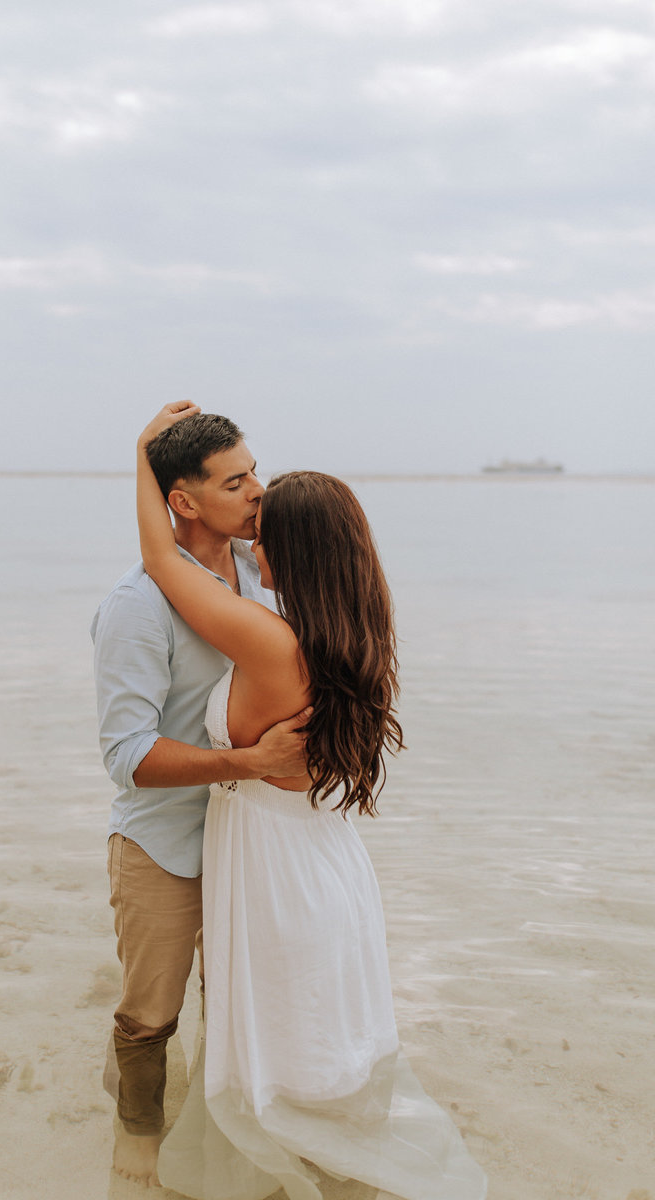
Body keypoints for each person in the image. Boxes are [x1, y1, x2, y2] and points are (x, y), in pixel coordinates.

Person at [135, 402, 488, 1200]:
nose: (252, 539)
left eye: (264, 533)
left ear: (293, 551)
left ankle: (295, 1160)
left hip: (275, 866)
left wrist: (144, 455)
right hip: (326, 859)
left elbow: (160, 558)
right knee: (317, 1023)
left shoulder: (271, 639)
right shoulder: (350, 630)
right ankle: (334, 1155)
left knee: (277, 1033)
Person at [91, 411, 310, 1186]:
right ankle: (138, 1133)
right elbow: (126, 756)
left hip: (249, 840)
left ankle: (224, 1134)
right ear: (183, 502)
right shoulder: (137, 605)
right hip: (164, 844)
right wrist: (249, 761)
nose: (258, 493)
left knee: (237, 1003)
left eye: (254, 472)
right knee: (151, 1011)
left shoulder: (264, 573)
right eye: (235, 482)